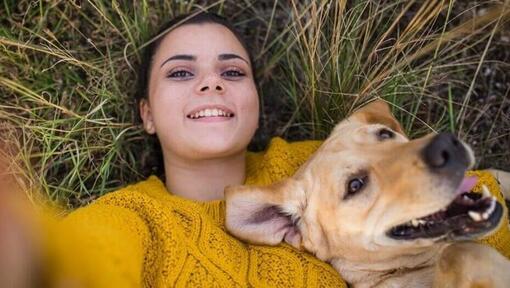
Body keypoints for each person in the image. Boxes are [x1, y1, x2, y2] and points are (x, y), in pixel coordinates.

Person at [0, 11, 508, 288]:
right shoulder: (135, 219)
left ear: (253, 100)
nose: (211, 84)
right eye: (181, 72)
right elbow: (75, 260)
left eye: (232, 71)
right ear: (147, 114)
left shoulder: (306, 159)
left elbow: (467, 193)